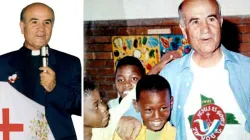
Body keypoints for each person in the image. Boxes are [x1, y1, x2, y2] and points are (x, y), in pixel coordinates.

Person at [159, 0, 250, 140]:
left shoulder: (246, 69)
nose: (205, 29)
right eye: (195, 22)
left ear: (220, 23)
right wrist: (129, 117)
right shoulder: (170, 75)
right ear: (184, 30)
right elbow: (141, 105)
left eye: (211, 19)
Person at [0, 2, 81, 139]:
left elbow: (81, 107)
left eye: (47, 23)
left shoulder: (70, 63)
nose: (41, 29)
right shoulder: (2, 64)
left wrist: (55, 88)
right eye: (34, 22)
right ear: (22, 26)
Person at [113, 74, 176, 140]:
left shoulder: (177, 135)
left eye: (163, 108)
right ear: (136, 105)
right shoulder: (125, 134)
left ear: (171, 103)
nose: (157, 116)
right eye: (149, 110)